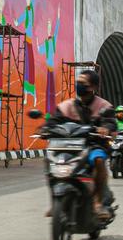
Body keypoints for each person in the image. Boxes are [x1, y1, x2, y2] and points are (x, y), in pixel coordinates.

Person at [47, 69, 116, 219]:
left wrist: (106, 128)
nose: (79, 85)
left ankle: (98, 203)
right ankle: (55, 200)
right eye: (77, 83)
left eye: (83, 83)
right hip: (70, 145)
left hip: (94, 145)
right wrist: (45, 128)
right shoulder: (68, 106)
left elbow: (111, 123)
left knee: (99, 160)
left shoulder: (104, 106)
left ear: (93, 87)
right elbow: (54, 120)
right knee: (50, 160)